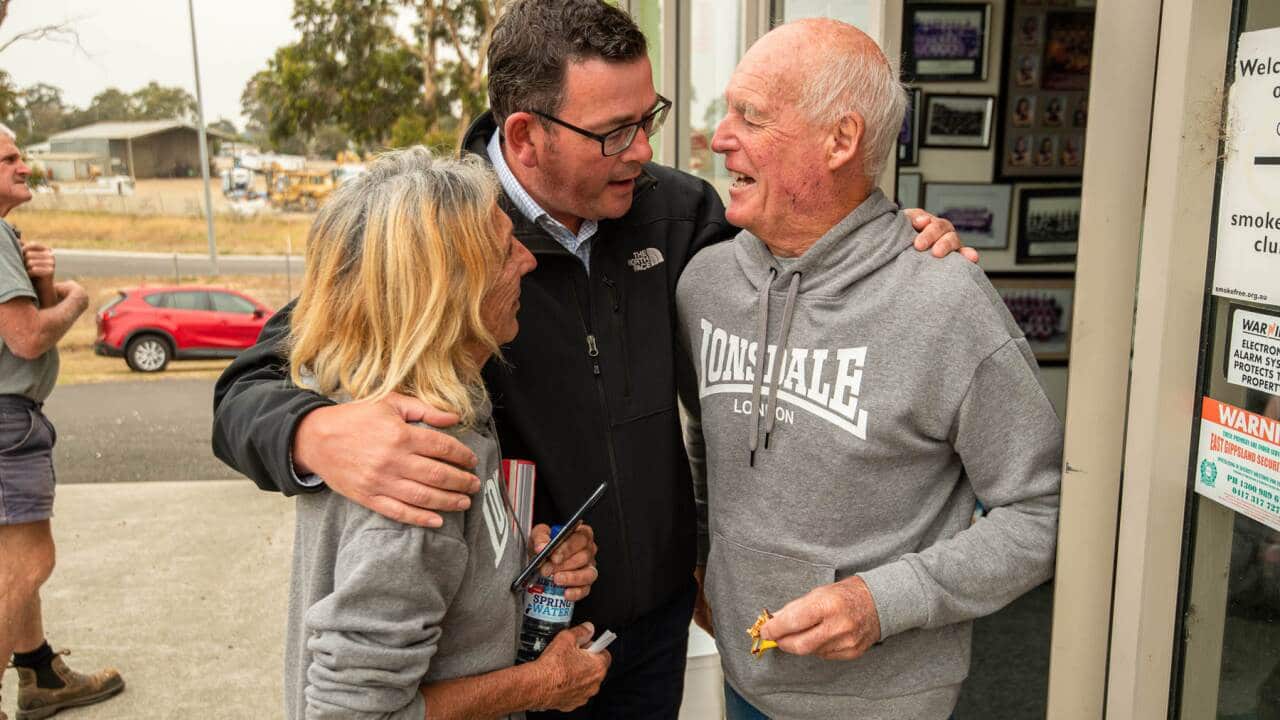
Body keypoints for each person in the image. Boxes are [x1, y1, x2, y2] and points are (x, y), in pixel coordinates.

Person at [211, 2, 967, 716]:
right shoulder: (447, 233)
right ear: (525, 134)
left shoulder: (677, 212)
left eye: (649, 119)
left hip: (656, 628)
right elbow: (254, 383)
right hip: (512, 647)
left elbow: (800, 259)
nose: (642, 150)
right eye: (614, 132)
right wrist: (314, 435)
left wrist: (886, 237)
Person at [675, 19, 1062, 720]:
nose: (720, 136)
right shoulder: (705, 284)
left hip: (883, 701)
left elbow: (1043, 511)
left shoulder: (944, 302)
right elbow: (710, 443)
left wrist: (880, 604)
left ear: (841, 140)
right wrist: (707, 560)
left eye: (751, 116)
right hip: (745, 677)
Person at [282, 147, 608, 719]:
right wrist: (540, 684)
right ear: (451, 288)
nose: (527, 262)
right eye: (506, 249)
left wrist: (518, 570)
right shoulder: (418, 473)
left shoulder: (435, 412)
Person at [0, 126, 125, 719]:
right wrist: (74, 299)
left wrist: (43, 282)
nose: (24, 167)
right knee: (30, 561)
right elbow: (26, 339)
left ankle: (40, 673)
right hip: (6, 419)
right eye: (9, 159)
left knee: (8, 560)